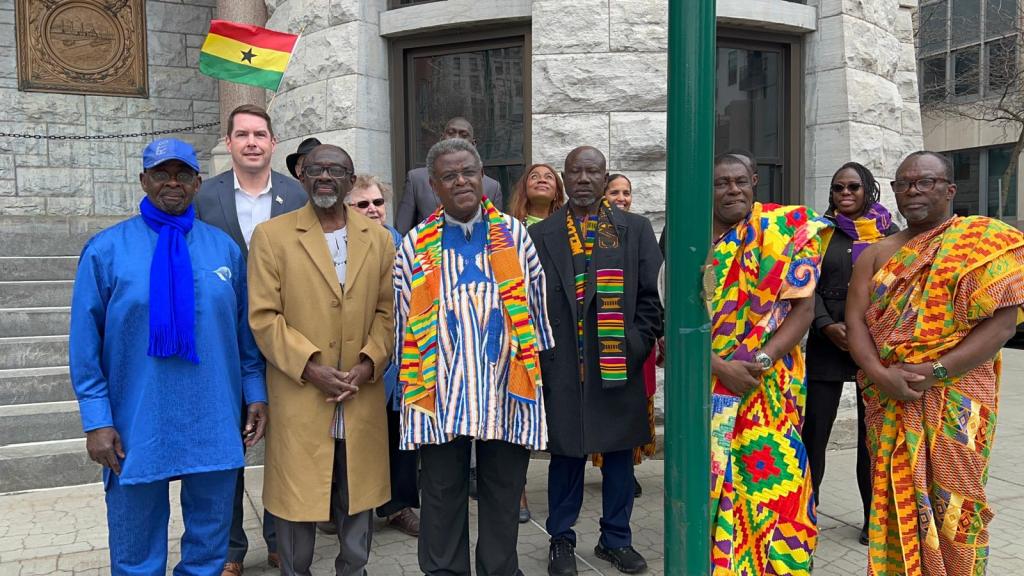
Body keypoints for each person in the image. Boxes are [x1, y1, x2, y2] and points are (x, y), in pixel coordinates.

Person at [69, 138, 267, 574]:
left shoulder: (225, 250)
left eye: (182, 175)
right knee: (135, 546)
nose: (171, 183)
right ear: (144, 180)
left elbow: (243, 336)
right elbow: (84, 348)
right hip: (135, 419)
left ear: (198, 183)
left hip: (213, 413)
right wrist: (97, 419)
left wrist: (255, 393)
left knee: (210, 545)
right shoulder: (106, 251)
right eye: (161, 174)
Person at [846, 151, 1024, 576]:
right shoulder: (875, 253)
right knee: (893, 495)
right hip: (889, 397)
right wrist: (878, 375)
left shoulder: (984, 243)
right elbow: (854, 322)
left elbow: (1002, 326)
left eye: (924, 182)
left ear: (949, 188)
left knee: (958, 497)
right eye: (903, 184)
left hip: (959, 393)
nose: (913, 192)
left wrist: (938, 370)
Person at [394, 137, 553, 576]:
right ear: (434, 185)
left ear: (483, 177)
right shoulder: (414, 246)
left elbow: (537, 316)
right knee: (442, 494)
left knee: (504, 492)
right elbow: (402, 326)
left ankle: (498, 570)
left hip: (507, 387)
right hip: (441, 392)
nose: (461, 181)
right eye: (450, 175)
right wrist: (410, 394)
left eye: (469, 172)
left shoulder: (516, 235)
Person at [247, 144, 396, 576]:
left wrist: (370, 362)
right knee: (298, 496)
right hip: (301, 389)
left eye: (336, 170)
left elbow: (388, 312)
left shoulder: (380, 240)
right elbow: (263, 316)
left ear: (352, 182)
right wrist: (309, 366)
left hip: (359, 389)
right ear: (301, 178)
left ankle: (354, 569)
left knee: (359, 493)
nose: (325, 176)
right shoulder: (272, 237)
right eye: (316, 169)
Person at [530, 146, 662, 576]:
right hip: (564, 366)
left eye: (593, 171)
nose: (584, 178)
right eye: (576, 171)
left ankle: (616, 540)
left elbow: (651, 299)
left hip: (617, 364)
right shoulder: (541, 234)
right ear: (564, 178)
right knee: (566, 458)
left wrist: (636, 343)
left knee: (620, 458)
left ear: (606, 179)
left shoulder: (635, 230)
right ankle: (561, 540)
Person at [192, 104, 306, 574]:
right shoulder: (205, 198)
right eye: (243, 135)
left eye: (261, 134)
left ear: (274, 143)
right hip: (224, 342)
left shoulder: (297, 193)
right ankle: (229, 550)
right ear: (230, 142)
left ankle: (282, 540)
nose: (252, 142)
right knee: (227, 448)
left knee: (285, 446)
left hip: (285, 337)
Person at [706, 152, 827, 575]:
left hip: (768, 386)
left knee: (782, 485)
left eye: (739, 180)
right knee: (717, 487)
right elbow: (678, 321)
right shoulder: (688, 238)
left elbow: (804, 310)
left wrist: (759, 361)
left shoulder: (783, 230)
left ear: (755, 181)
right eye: (721, 182)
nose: (731, 189)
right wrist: (721, 367)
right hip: (710, 388)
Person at [802, 162, 897, 547]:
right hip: (827, 340)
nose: (845, 193)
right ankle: (806, 511)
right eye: (838, 186)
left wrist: (864, 331)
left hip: (871, 344)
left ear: (868, 190)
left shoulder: (890, 234)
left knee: (869, 438)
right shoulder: (819, 233)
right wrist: (825, 324)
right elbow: (805, 285)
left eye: (854, 187)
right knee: (814, 434)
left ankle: (871, 516)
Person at [343, 174, 421, 538]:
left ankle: (398, 506)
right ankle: (341, 506)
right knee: (352, 437)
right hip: (356, 357)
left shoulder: (404, 244)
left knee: (398, 436)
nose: (373, 209)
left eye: (377, 202)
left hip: (400, 357)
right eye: (363, 204)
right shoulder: (338, 246)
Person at [592, 173, 655, 500]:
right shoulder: (590, 230)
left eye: (627, 192)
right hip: (595, 348)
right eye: (615, 191)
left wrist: (640, 339)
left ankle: (627, 469)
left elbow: (652, 287)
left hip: (631, 344)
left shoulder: (639, 228)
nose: (622, 197)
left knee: (633, 410)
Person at [395, 117, 504, 233]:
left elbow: (497, 231)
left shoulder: (493, 187)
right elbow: (401, 231)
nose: (456, 138)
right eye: (451, 133)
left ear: (473, 144)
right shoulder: (416, 179)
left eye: (463, 135)